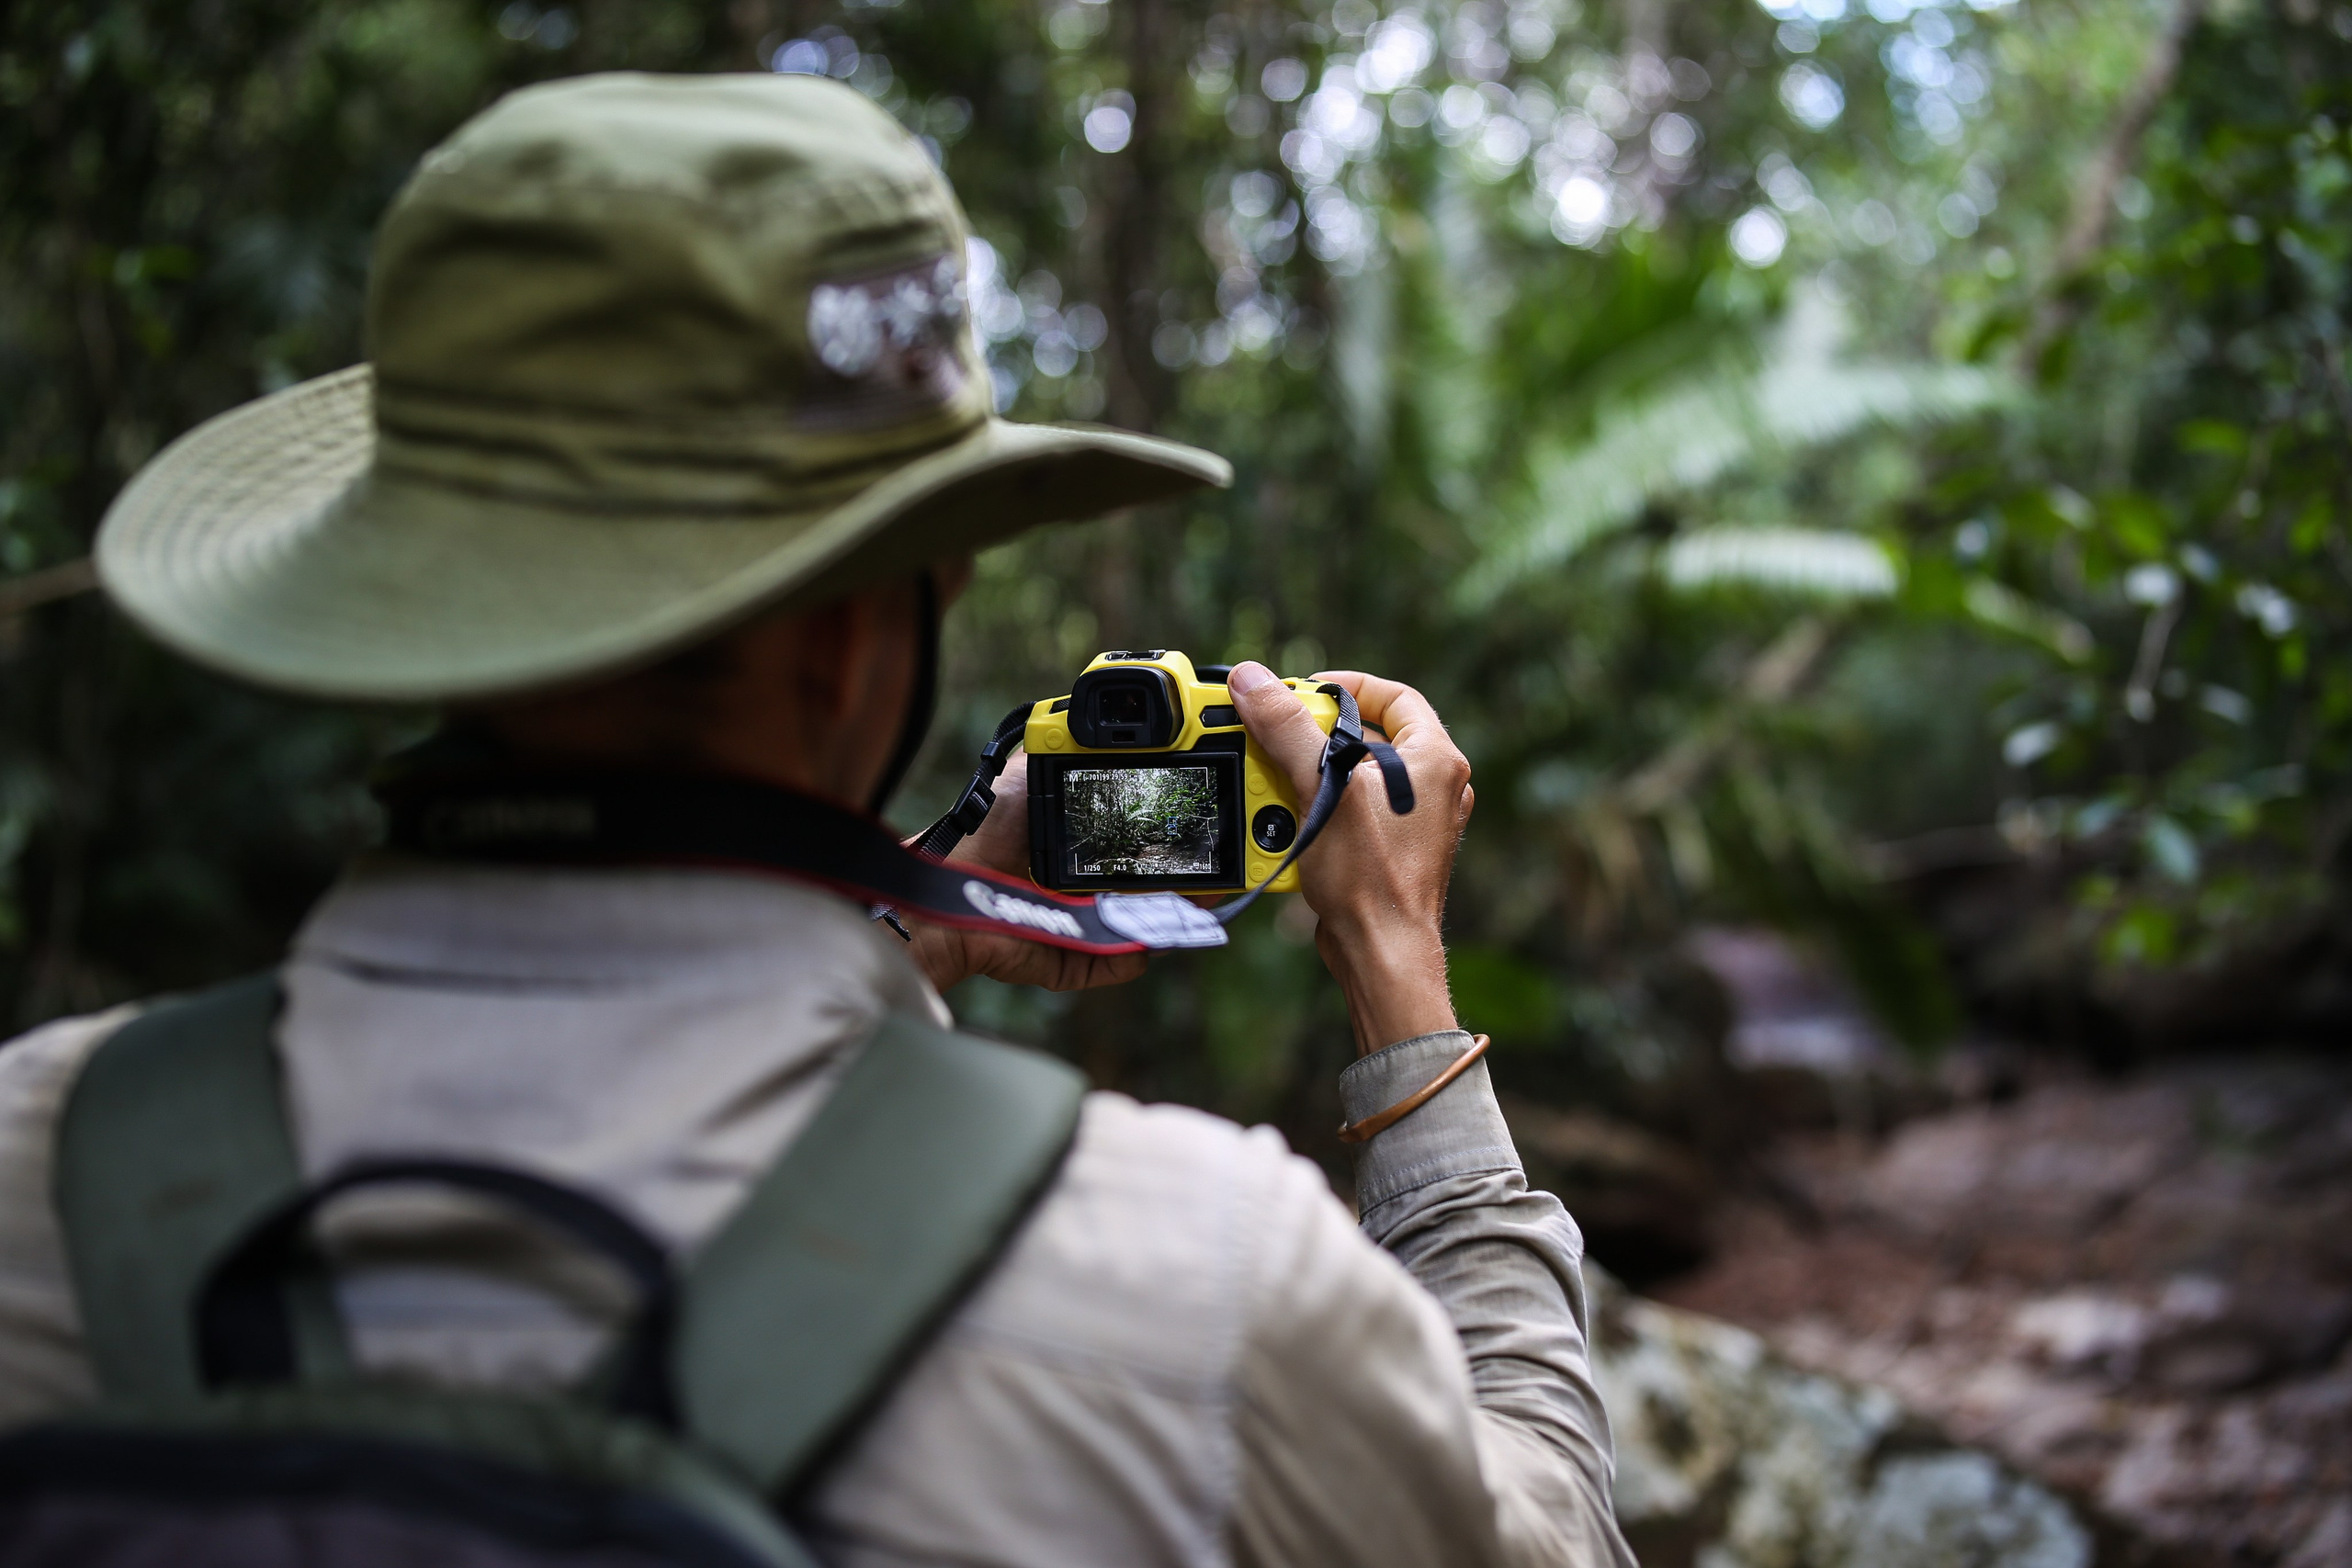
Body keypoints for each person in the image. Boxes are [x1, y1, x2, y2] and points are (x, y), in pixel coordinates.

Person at [0, 72, 1634, 1567]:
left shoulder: (39, 1163)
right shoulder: (1199, 1292)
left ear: (399, 591)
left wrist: (923, 920)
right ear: (871, 629)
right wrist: (1397, 974)